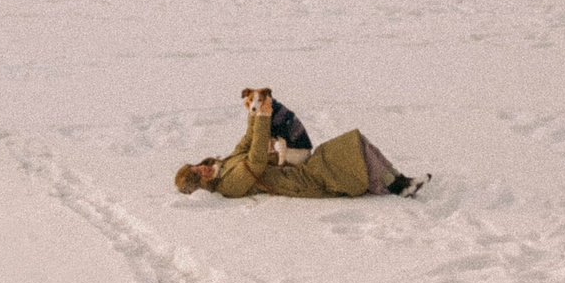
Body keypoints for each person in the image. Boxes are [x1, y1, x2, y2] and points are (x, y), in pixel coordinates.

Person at [174, 89, 429, 200]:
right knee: (350, 150)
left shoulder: (224, 164)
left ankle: (398, 179)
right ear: (202, 186)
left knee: (356, 141)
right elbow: (256, 161)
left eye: (197, 169)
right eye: (198, 177)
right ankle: (396, 186)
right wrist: (263, 117)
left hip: (297, 167)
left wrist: (255, 109)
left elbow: (248, 141)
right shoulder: (228, 185)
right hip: (299, 179)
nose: (203, 171)